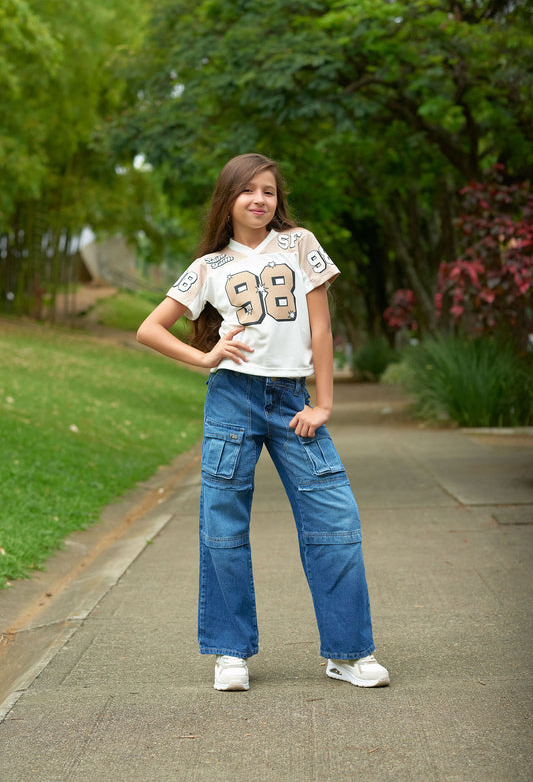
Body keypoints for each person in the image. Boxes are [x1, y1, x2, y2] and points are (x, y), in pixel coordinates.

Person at [137, 153, 389, 692]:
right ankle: (230, 654)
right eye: (247, 190)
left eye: (269, 191)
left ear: (278, 201)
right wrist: (205, 358)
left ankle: (349, 652)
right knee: (223, 527)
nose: (259, 199)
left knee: (335, 519)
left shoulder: (300, 244)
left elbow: (320, 329)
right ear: (227, 200)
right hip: (232, 399)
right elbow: (149, 329)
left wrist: (323, 404)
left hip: (293, 399)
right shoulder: (209, 267)